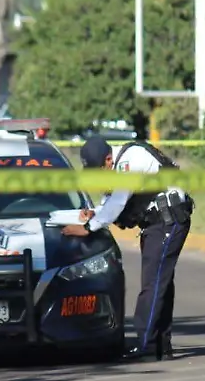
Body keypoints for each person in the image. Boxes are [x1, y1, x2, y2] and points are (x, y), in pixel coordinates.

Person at [62, 135, 193, 361]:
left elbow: (119, 200)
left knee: (152, 283)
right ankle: (161, 344)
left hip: (168, 220)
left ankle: (147, 346)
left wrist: (88, 227)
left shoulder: (130, 160)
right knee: (160, 281)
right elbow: (109, 199)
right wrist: (95, 214)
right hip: (157, 223)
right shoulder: (117, 164)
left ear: (108, 159)